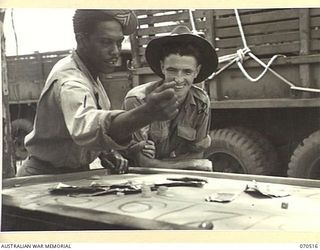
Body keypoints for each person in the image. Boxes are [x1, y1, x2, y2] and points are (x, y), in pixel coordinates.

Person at [16, 9, 180, 176]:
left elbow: (77, 134)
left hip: (75, 176)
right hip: (43, 179)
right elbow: (85, 126)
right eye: (106, 42)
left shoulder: (90, 73)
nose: (116, 51)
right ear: (82, 40)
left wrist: (106, 152)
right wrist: (145, 113)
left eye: (119, 42)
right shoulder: (70, 81)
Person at [123, 25, 218, 171]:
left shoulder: (201, 102)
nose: (179, 80)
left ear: (196, 72)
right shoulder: (138, 100)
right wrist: (190, 164)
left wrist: (163, 162)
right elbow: (144, 164)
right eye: (172, 70)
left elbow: (198, 154)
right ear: (162, 67)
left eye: (187, 72)